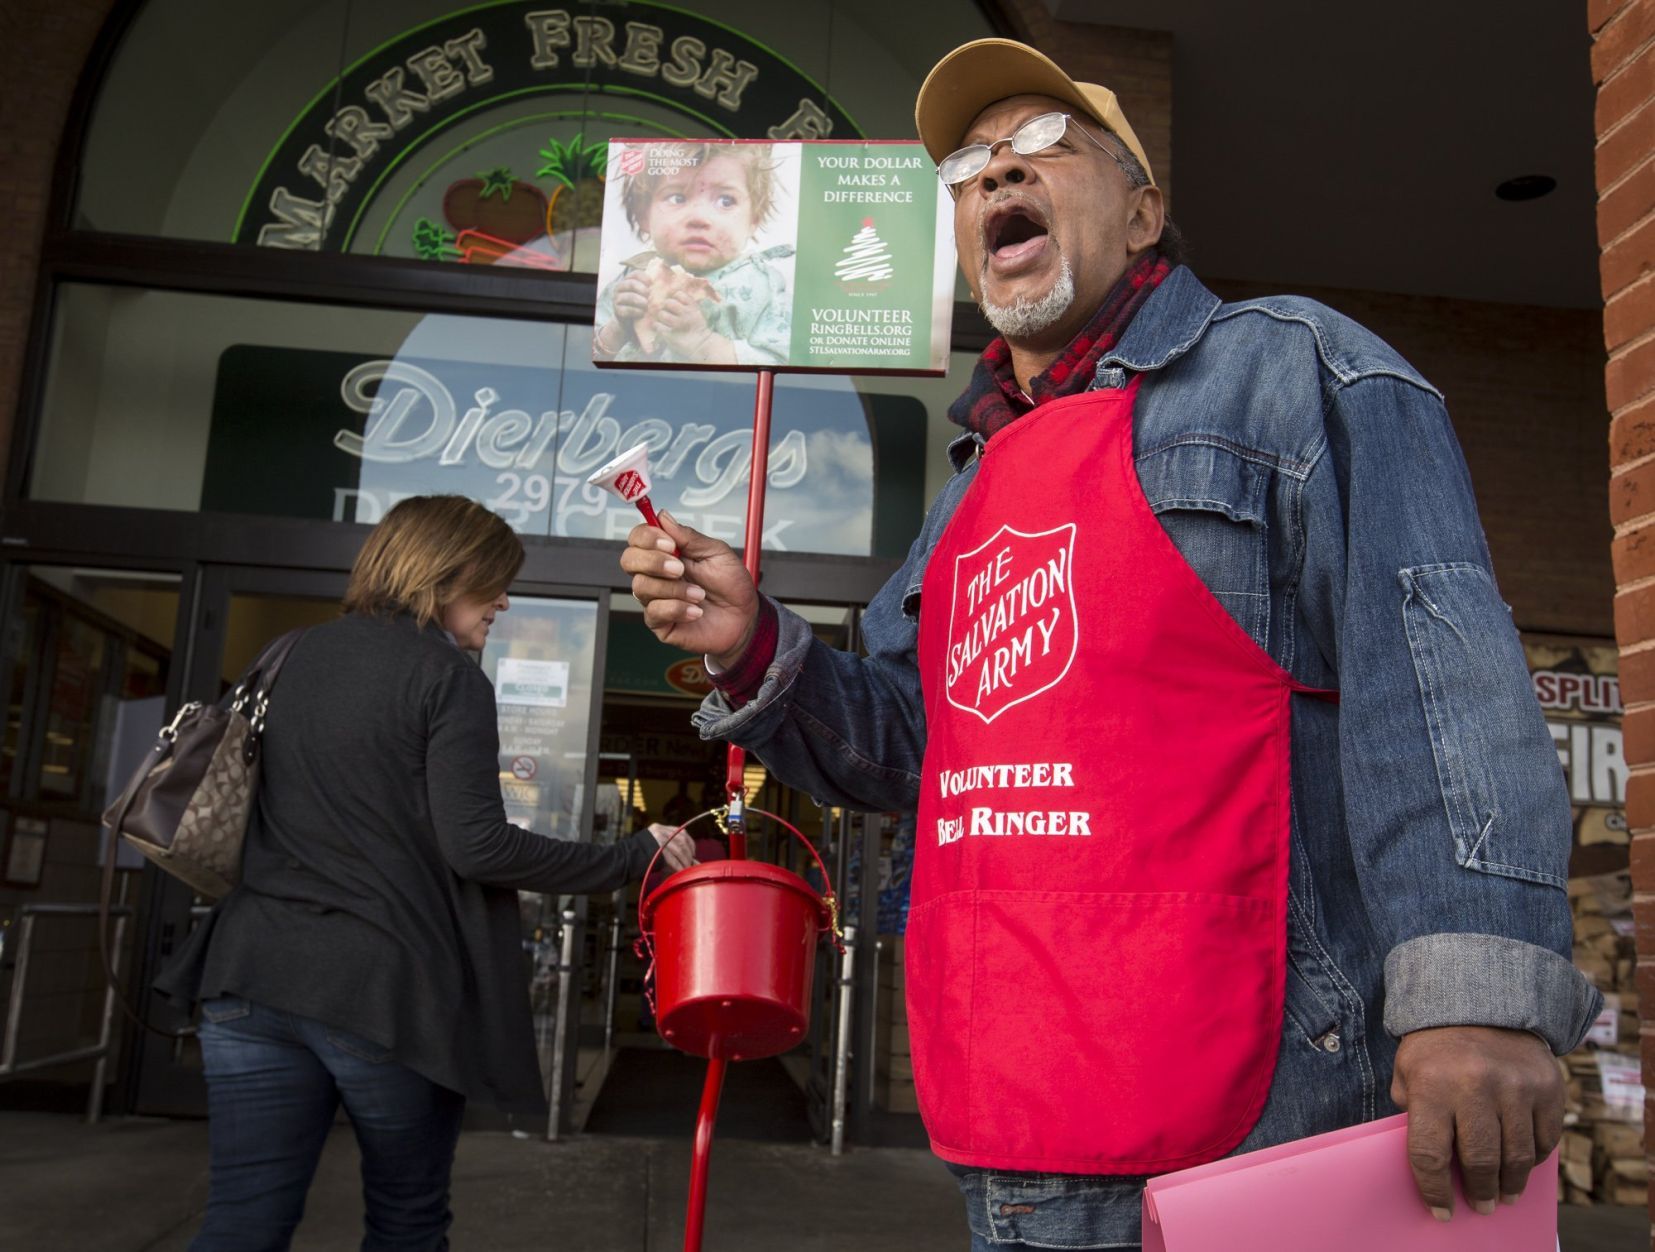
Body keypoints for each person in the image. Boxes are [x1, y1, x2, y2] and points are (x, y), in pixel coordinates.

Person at [620, 37, 1601, 1252]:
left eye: (1041, 144)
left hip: (1262, 1108)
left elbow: (1439, 679)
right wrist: (752, 643)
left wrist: (1478, 1003)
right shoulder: (969, 486)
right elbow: (911, 754)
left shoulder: (1291, 371)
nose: (995, 176)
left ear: (1143, 213)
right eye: (971, 165)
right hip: (1009, 1099)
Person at [156, 495, 693, 1251]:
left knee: (244, 1218)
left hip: (249, 975)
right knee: (405, 1223)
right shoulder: (448, 679)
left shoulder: (286, 653)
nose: (503, 600)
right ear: (443, 576)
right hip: (381, 993)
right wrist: (633, 856)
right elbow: (478, 848)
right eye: (494, 583)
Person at [593, 141, 792, 365]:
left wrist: (701, 342)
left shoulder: (762, 286)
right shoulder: (634, 278)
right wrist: (618, 327)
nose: (699, 217)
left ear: (753, 219)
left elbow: (782, 363)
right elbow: (592, 355)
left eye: (726, 200)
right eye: (677, 198)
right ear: (643, 214)